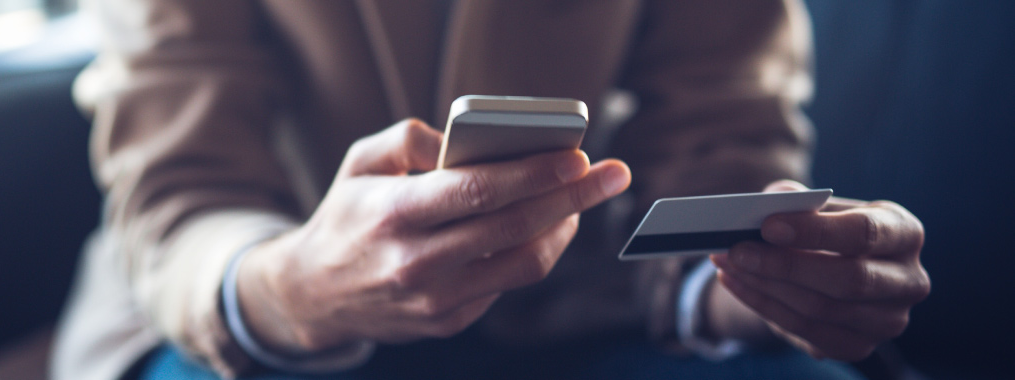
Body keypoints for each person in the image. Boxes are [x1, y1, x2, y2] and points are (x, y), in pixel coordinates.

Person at [51, 1, 931, 379]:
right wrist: (296, 287)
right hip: (246, 316)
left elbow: (722, 138)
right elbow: (179, 186)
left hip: (591, 306)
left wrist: (756, 282)